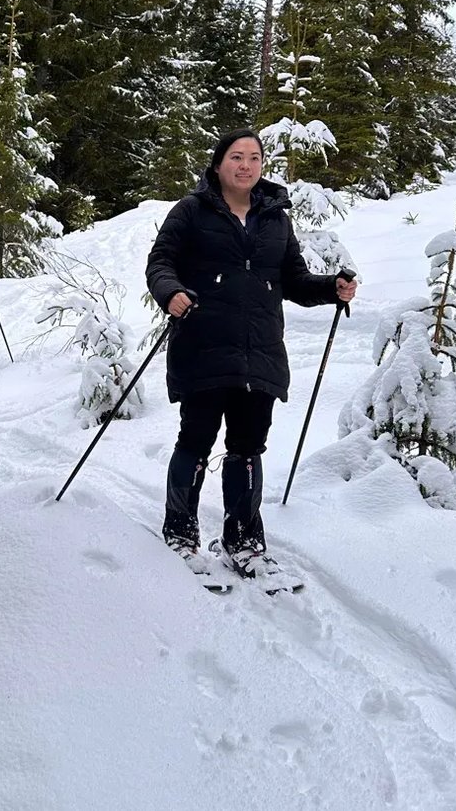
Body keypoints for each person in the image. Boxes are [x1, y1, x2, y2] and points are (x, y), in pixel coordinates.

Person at [145, 128, 357, 578]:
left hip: (259, 352)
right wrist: (171, 293)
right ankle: (180, 533)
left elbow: (295, 280)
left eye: (255, 158)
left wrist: (331, 288)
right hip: (203, 345)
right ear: (219, 163)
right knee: (196, 441)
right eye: (237, 157)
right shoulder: (190, 211)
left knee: (247, 448)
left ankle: (244, 540)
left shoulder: (276, 218)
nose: (246, 165)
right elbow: (160, 262)